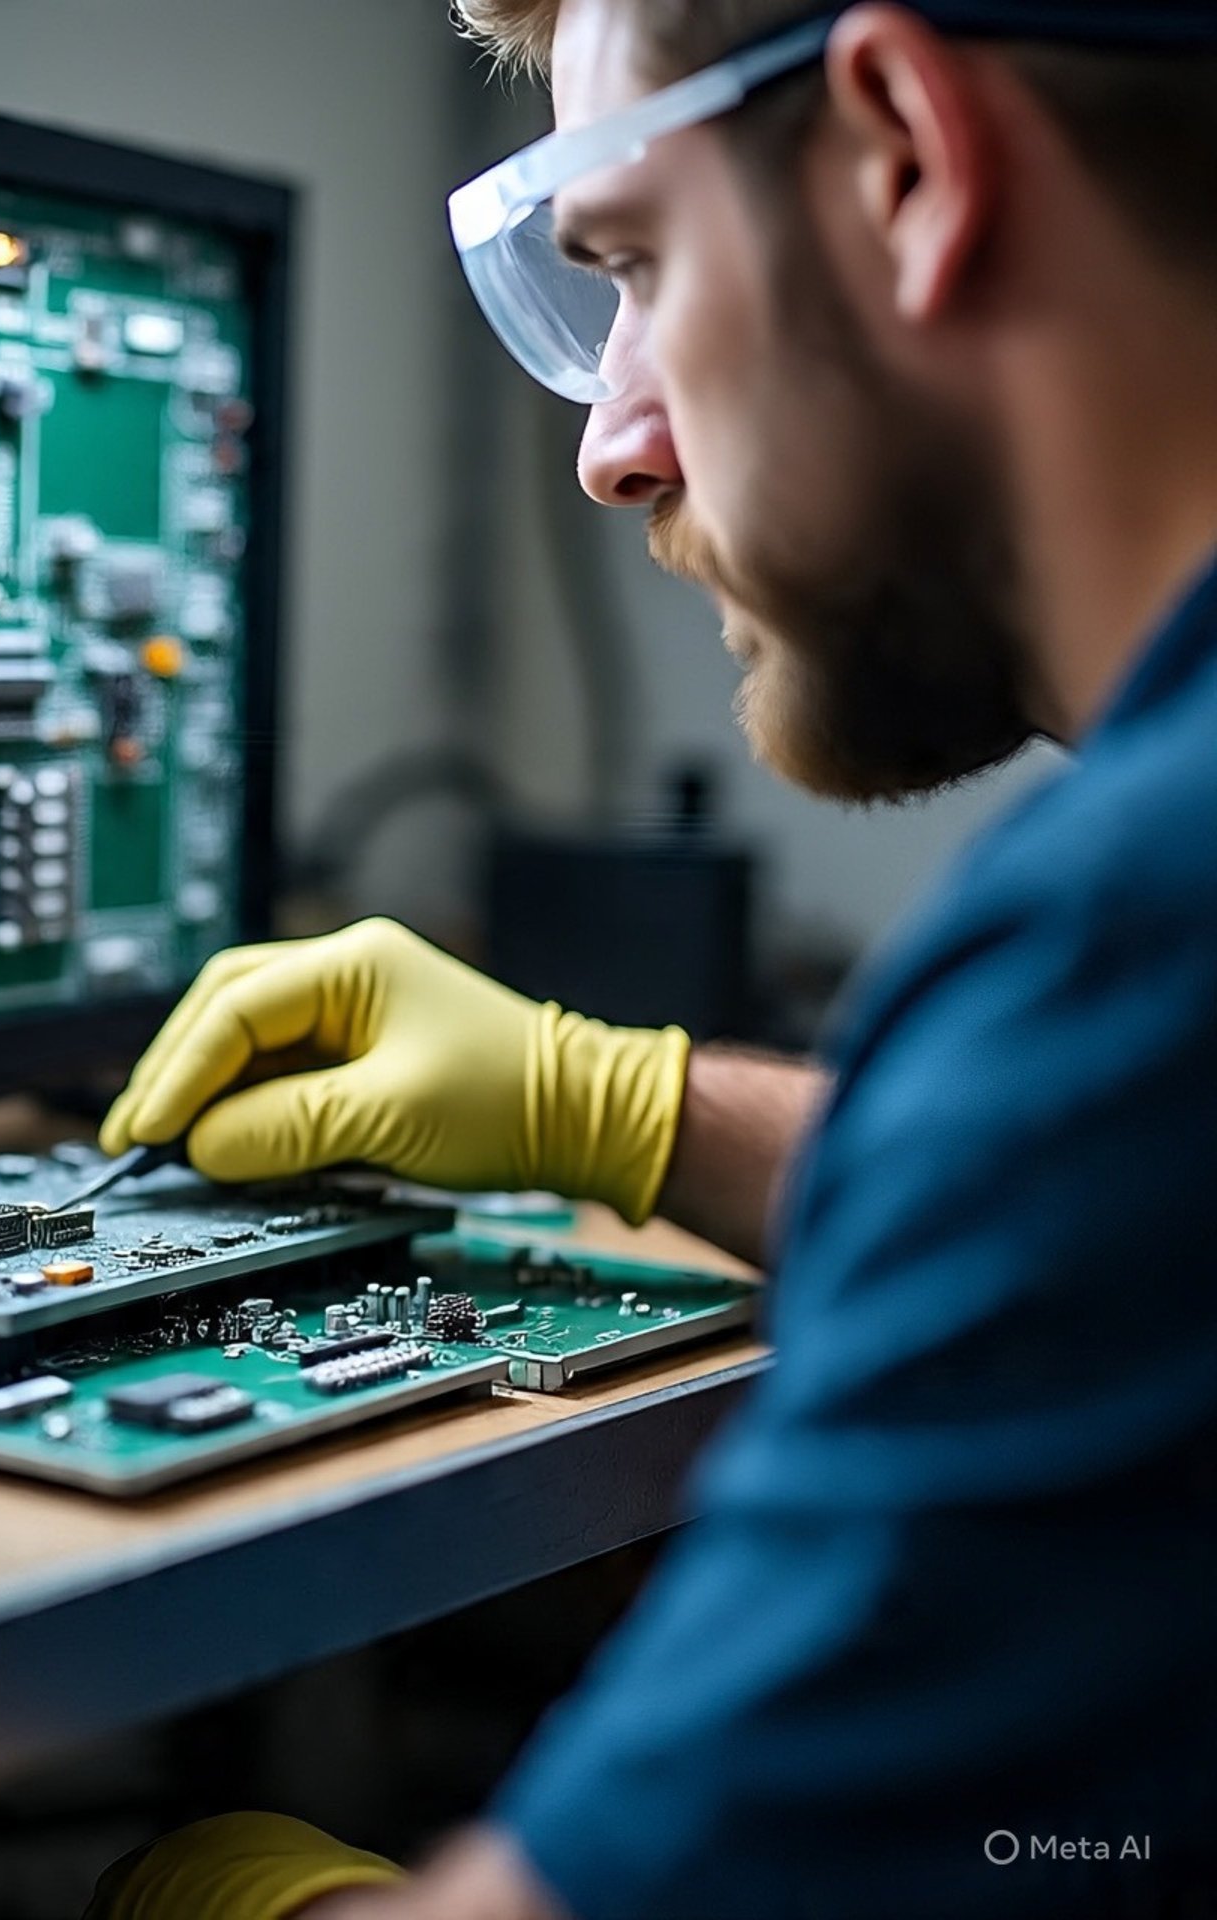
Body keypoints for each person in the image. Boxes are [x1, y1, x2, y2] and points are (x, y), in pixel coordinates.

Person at [86, 1, 1217, 1914]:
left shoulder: (1138, 948)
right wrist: (619, 1102)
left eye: (632, 262)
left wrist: (212, 1893)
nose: (615, 449)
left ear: (907, 162)